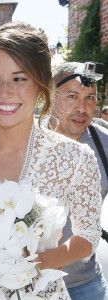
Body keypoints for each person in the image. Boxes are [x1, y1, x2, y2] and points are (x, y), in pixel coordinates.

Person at [0, 21, 102, 299]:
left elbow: (88, 238)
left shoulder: (76, 157)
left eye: (19, 78)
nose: (4, 91)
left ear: (41, 86)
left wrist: (32, 265)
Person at [44, 61, 108, 299]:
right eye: (72, 96)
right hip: (31, 284)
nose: (82, 107)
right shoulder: (27, 142)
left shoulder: (105, 145)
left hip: (87, 285)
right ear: (50, 96)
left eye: (90, 98)